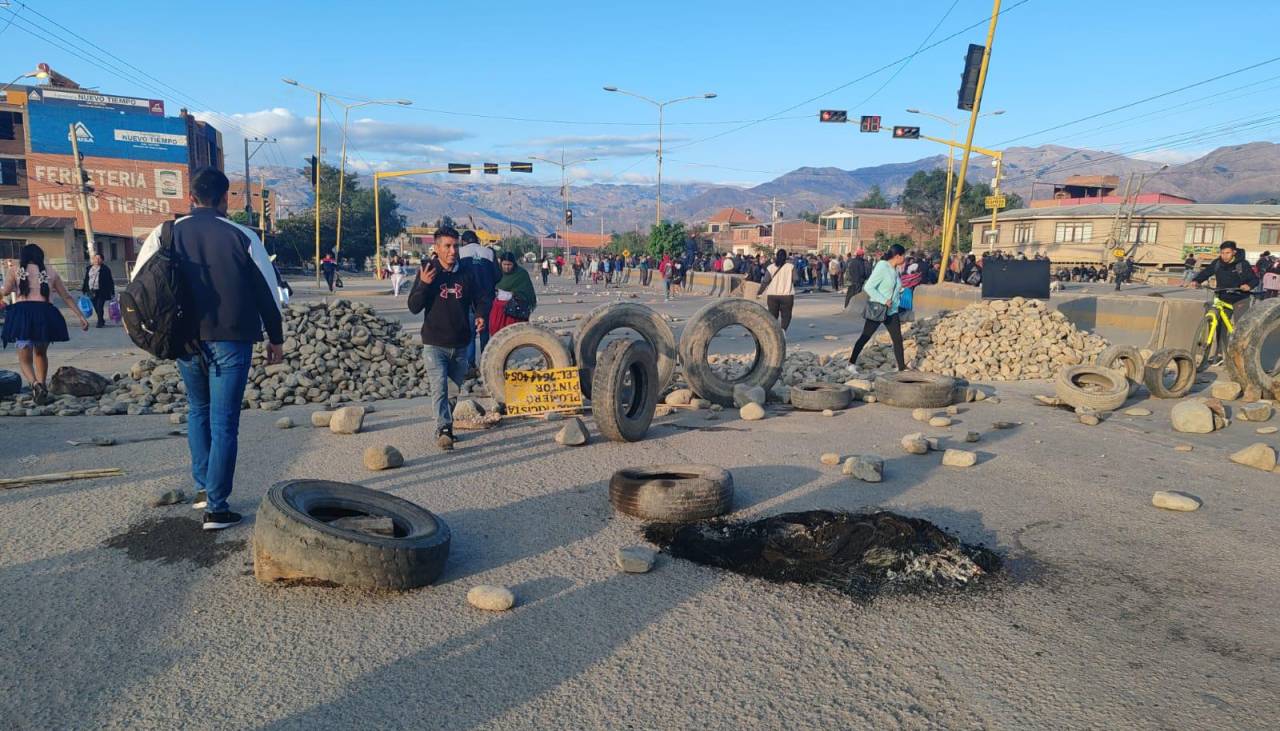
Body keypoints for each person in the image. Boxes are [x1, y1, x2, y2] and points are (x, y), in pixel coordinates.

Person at [134, 167, 283, 530]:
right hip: (231, 338)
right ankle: (217, 507)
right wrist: (275, 338)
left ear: (190, 198)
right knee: (224, 421)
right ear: (223, 199)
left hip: (184, 341)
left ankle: (203, 488)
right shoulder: (242, 236)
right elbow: (269, 292)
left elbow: (139, 285)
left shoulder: (165, 233)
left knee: (198, 411)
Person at [408, 226, 492, 451]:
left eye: (455, 246)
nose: (452, 250)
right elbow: (413, 306)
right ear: (436, 248)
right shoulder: (428, 270)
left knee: (454, 390)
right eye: (447, 246)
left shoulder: (466, 273)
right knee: (439, 388)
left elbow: (483, 296)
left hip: (461, 343)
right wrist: (424, 284)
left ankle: (445, 425)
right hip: (434, 343)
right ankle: (444, 428)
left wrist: (482, 315)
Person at [1, 244, 90, 404]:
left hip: (23, 315)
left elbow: (5, 291)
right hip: (44, 315)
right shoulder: (51, 271)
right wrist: (81, 317)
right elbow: (67, 297)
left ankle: (35, 384)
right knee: (40, 354)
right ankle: (42, 385)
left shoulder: (15, 269)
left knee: (24, 358)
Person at [1185, 240, 1259, 355]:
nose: (1224, 256)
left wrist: (1248, 286)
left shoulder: (1242, 264)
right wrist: (1196, 280)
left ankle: (1242, 353)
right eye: (1222, 253)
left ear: (1234, 252)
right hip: (1223, 297)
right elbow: (1206, 272)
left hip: (1240, 298)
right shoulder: (1217, 263)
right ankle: (1220, 354)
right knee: (1221, 327)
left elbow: (1255, 279)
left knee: (1241, 327)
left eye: (1228, 253)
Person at [846, 244, 908, 375]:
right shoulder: (882, 267)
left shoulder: (895, 269)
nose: (905, 258)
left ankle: (902, 368)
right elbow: (868, 287)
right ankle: (851, 363)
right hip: (878, 308)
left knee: (897, 339)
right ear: (897, 256)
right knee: (865, 336)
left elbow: (893, 287)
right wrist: (883, 300)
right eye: (904, 256)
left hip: (892, 311)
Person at [459, 230, 499, 372]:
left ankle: (470, 364)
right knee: (484, 332)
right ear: (477, 240)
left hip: (468, 300)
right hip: (486, 299)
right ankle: (486, 363)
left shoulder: (459, 252)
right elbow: (497, 276)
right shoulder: (489, 253)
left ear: (463, 241)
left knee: (470, 333)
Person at [489, 251, 537, 335]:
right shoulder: (496, 273)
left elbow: (528, 292)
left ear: (514, 264)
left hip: (513, 310)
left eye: (509, 265)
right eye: (505, 264)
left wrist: (515, 294)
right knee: (496, 333)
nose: (507, 267)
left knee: (512, 335)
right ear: (501, 263)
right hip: (498, 310)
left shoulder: (521, 274)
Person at [760, 248, 796, 330]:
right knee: (786, 316)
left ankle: (774, 333)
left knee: (772, 316)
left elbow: (765, 281)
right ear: (786, 256)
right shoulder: (791, 267)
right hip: (787, 295)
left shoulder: (770, 267)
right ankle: (783, 331)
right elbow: (796, 279)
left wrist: (759, 292)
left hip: (772, 295)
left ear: (776, 256)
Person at [80, 253, 116, 328]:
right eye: (95, 258)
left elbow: (110, 281)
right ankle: (101, 319)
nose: (97, 260)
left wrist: (112, 292)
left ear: (102, 260)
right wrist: (84, 289)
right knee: (96, 307)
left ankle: (99, 322)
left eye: (99, 258)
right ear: (93, 259)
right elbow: (86, 279)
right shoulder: (89, 268)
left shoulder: (105, 269)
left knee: (100, 307)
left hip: (101, 291)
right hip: (91, 290)